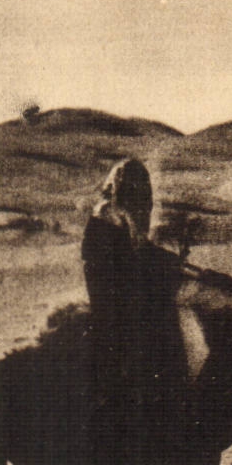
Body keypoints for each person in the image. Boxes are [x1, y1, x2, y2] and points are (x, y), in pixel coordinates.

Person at [80, 158, 194, 397]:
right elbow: (137, 256)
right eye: (139, 191)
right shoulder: (111, 215)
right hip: (115, 305)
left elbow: (142, 252)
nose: (145, 203)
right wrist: (170, 264)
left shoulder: (112, 215)